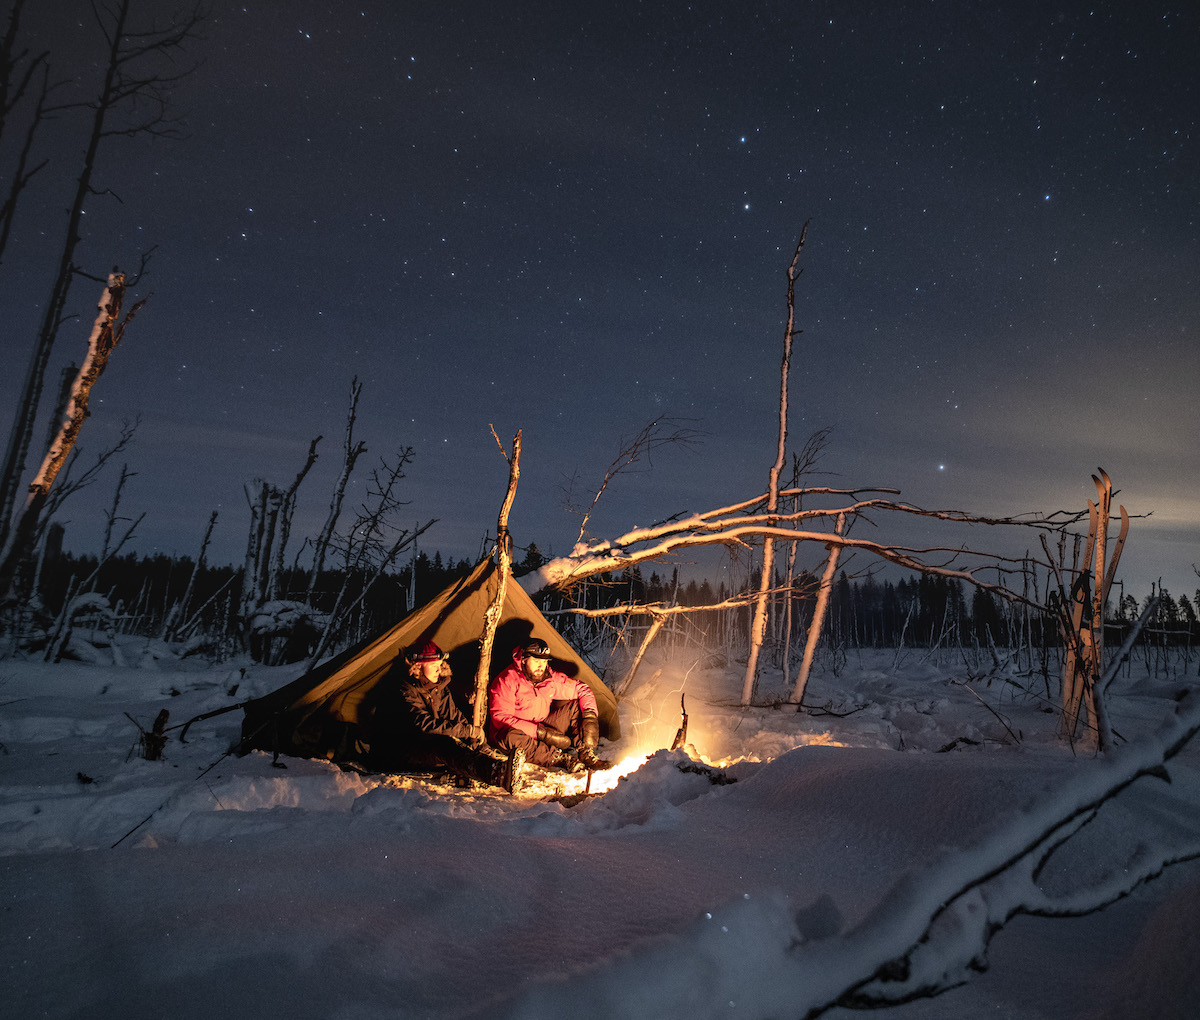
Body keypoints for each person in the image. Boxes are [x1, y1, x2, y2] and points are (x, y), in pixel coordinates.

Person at [371, 640, 524, 793]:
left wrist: (478, 742)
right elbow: (424, 725)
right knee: (446, 746)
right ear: (418, 666)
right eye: (434, 666)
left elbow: (455, 717)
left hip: (425, 743)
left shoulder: (439, 688)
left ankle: (495, 767)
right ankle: (497, 774)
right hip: (399, 749)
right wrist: (467, 732)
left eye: (440, 665)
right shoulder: (405, 689)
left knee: (454, 743)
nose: (439, 670)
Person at [487, 638, 611, 771]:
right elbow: (501, 719)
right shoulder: (506, 680)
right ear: (523, 659)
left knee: (576, 706)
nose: (541, 666)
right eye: (536, 661)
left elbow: (582, 689)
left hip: (543, 726)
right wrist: (540, 733)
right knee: (510, 737)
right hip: (515, 734)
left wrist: (590, 716)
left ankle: (586, 754)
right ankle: (559, 759)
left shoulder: (548, 678)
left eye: (544, 661)